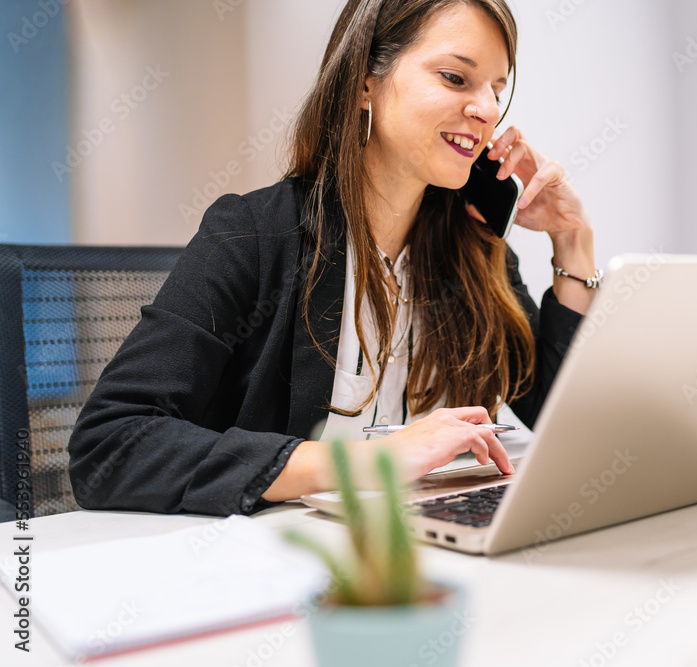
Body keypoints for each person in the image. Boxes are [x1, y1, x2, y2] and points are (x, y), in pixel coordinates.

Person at [67, 0, 599, 517]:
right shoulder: (253, 235)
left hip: (426, 544)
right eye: (456, 78)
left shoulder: (474, 247)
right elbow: (109, 444)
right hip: (284, 553)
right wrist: (368, 462)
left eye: (497, 90)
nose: (488, 110)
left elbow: (560, 418)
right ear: (366, 81)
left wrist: (571, 241)